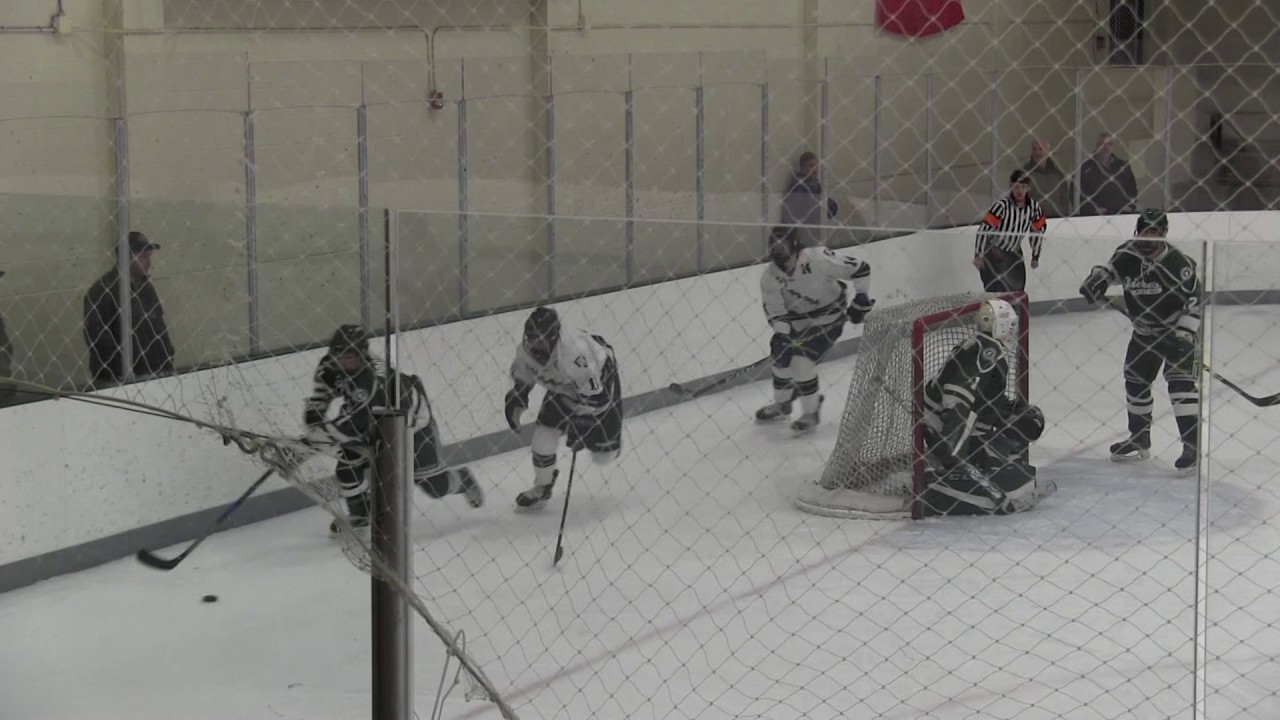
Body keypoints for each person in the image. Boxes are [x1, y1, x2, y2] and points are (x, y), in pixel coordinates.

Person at [304, 325, 483, 534]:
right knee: (347, 469)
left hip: (412, 424)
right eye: (339, 355)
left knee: (435, 486)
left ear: (363, 355)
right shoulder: (329, 365)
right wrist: (314, 418)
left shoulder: (371, 383)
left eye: (350, 357)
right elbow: (321, 398)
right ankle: (361, 516)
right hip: (372, 420)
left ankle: (463, 479)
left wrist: (311, 441)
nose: (343, 361)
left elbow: (353, 427)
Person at [1079, 209, 1201, 473]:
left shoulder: (1179, 264)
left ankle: (1192, 447)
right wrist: (1097, 278)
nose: (1147, 238)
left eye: (1153, 233)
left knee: (1180, 384)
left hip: (1177, 332)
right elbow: (1109, 271)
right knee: (1135, 381)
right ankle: (1140, 438)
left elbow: (1194, 304)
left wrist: (1183, 338)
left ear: (1163, 235)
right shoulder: (1127, 254)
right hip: (1144, 333)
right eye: (1144, 232)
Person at [920, 298, 1049, 515]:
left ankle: (974, 457)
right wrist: (953, 439)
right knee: (992, 452)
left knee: (1025, 422)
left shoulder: (986, 346)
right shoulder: (987, 349)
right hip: (941, 422)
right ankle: (948, 475)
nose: (1013, 331)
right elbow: (958, 392)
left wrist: (1008, 412)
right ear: (998, 325)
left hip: (954, 419)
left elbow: (983, 397)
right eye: (1009, 325)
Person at [755, 226, 873, 435]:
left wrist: (861, 297)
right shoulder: (769, 277)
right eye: (775, 249)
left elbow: (860, 268)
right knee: (780, 361)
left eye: (784, 248)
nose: (779, 254)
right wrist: (782, 334)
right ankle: (782, 404)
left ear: (795, 247)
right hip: (796, 325)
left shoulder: (818, 258)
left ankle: (811, 412)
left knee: (800, 364)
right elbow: (776, 312)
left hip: (828, 321)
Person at [504, 307, 623, 509]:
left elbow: (598, 400)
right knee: (542, 439)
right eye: (530, 337)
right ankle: (543, 487)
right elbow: (522, 381)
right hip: (564, 387)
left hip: (598, 383)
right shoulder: (524, 352)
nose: (533, 344)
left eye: (540, 339)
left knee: (604, 456)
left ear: (553, 338)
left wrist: (581, 426)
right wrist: (516, 400)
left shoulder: (574, 354)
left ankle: (610, 442)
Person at [82, 231, 175, 387]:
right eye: (143, 257)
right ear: (126, 258)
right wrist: (126, 374)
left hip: (154, 376)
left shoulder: (146, 288)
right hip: (119, 381)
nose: (149, 263)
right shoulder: (101, 292)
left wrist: (167, 362)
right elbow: (99, 341)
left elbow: (159, 328)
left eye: (149, 257)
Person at [974, 170, 1047, 293]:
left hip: (1014, 253)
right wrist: (978, 255)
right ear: (1011, 187)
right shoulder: (1001, 207)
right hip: (994, 252)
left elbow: (1037, 232)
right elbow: (983, 230)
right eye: (1016, 187)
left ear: (1028, 188)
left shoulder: (1034, 208)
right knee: (996, 292)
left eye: (1023, 187)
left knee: (1017, 291)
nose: (1020, 191)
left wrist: (1035, 256)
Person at [780, 151, 840, 248]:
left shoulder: (815, 186)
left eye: (816, 165)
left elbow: (831, 208)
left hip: (811, 234)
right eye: (811, 166)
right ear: (803, 169)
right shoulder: (800, 188)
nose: (815, 169)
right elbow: (815, 210)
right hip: (802, 237)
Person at [1077, 133, 1138, 216]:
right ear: (1097, 147)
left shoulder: (1123, 167)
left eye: (1109, 144)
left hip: (1120, 216)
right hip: (1094, 217)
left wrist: (1129, 206)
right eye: (1101, 144)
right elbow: (1075, 193)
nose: (1105, 147)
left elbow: (1132, 190)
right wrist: (1091, 209)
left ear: (1113, 147)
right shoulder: (1085, 168)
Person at [1021, 139, 1071, 218]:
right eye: (1034, 149)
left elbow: (1065, 200)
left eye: (1040, 149)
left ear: (1047, 152)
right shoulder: (1024, 174)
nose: (1037, 153)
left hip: (1056, 220)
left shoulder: (1058, 175)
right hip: (1033, 220)